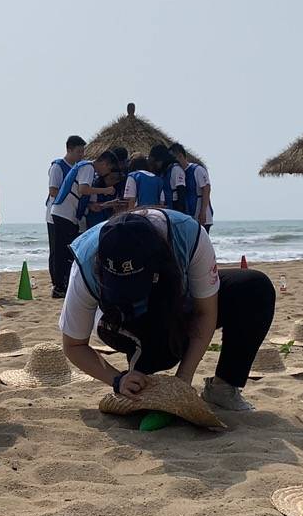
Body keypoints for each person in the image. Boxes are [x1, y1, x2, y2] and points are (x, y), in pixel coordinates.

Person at [60, 210, 274, 413]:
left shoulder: (188, 235)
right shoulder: (85, 264)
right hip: (116, 321)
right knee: (159, 357)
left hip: (176, 299)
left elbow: (205, 312)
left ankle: (223, 388)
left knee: (253, 287)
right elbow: (74, 345)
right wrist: (118, 379)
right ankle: (142, 360)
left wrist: (184, 378)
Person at [49, 150, 119, 297]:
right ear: (104, 163)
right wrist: (105, 190)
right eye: (108, 169)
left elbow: (93, 205)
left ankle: (62, 285)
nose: (105, 173)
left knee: (67, 250)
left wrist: (109, 203)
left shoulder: (87, 170)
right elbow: (83, 189)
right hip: (64, 213)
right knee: (63, 251)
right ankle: (59, 287)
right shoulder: (88, 167)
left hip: (67, 214)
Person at [46, 136, 86, 299]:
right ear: (69, 150)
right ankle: (57, 284)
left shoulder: (79, 167)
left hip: (71, 215)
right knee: (57, 250)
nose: (81, 155)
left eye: (83, 151)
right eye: (78, 151)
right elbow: (53, 190)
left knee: (67, 249)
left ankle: (65, 281)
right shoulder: (58, 166)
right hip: (56, 214)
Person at [170, 143, 213, 230]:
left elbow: (206, 189)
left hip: (201, 212)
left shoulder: (197, 170)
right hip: (190, 213)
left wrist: (203, 212)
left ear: (180, 156)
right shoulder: (178, 172)